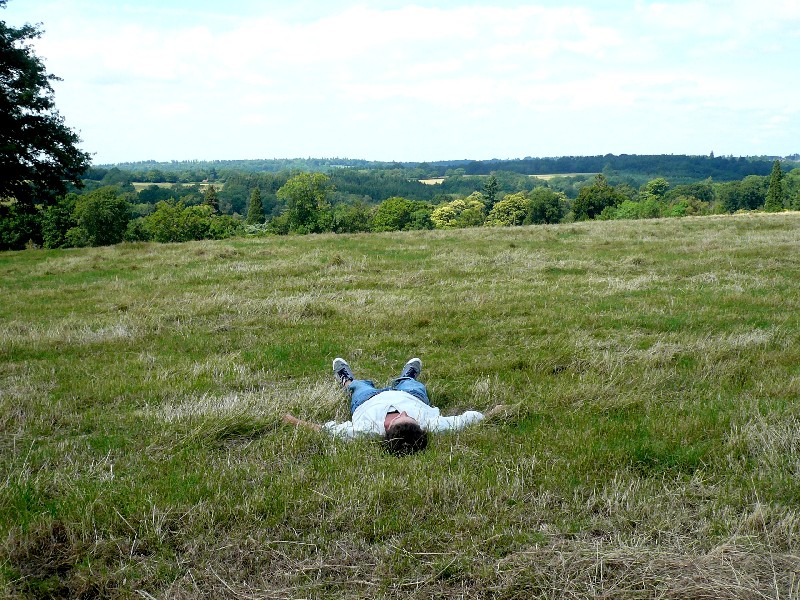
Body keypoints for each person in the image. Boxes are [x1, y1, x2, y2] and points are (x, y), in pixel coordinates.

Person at [283, 357, 505, 455]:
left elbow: (328, 431)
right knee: (413, 384)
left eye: (402, 418)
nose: (405, 414)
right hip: (409, 395)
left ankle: (347, 380)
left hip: (366, 401)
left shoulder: (366, 431)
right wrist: (493, 412)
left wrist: (294, 421)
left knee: (358, 387)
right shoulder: (431, 424)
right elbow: (465, 421)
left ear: (387, 429)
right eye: (411, 418)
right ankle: (407, 376)